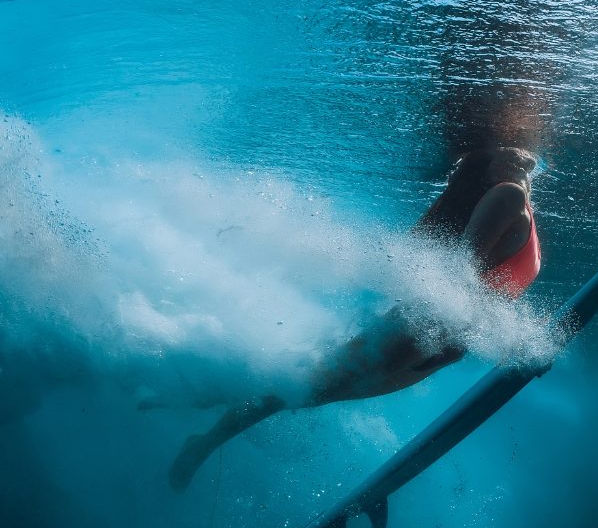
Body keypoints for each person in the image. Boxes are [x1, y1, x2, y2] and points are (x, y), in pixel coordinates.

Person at [168, 146, 541, 491]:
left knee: (310, 394)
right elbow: (461, 270)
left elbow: (481, 285)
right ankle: (203, 428)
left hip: (439, 339)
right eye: (509, 155)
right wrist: (513, 340)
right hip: (418, 329)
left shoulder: (518, 207)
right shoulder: (509, 195)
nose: (523, 158)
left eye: (524, 157)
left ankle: (204, 402)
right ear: (489, 167)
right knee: (303, 389)